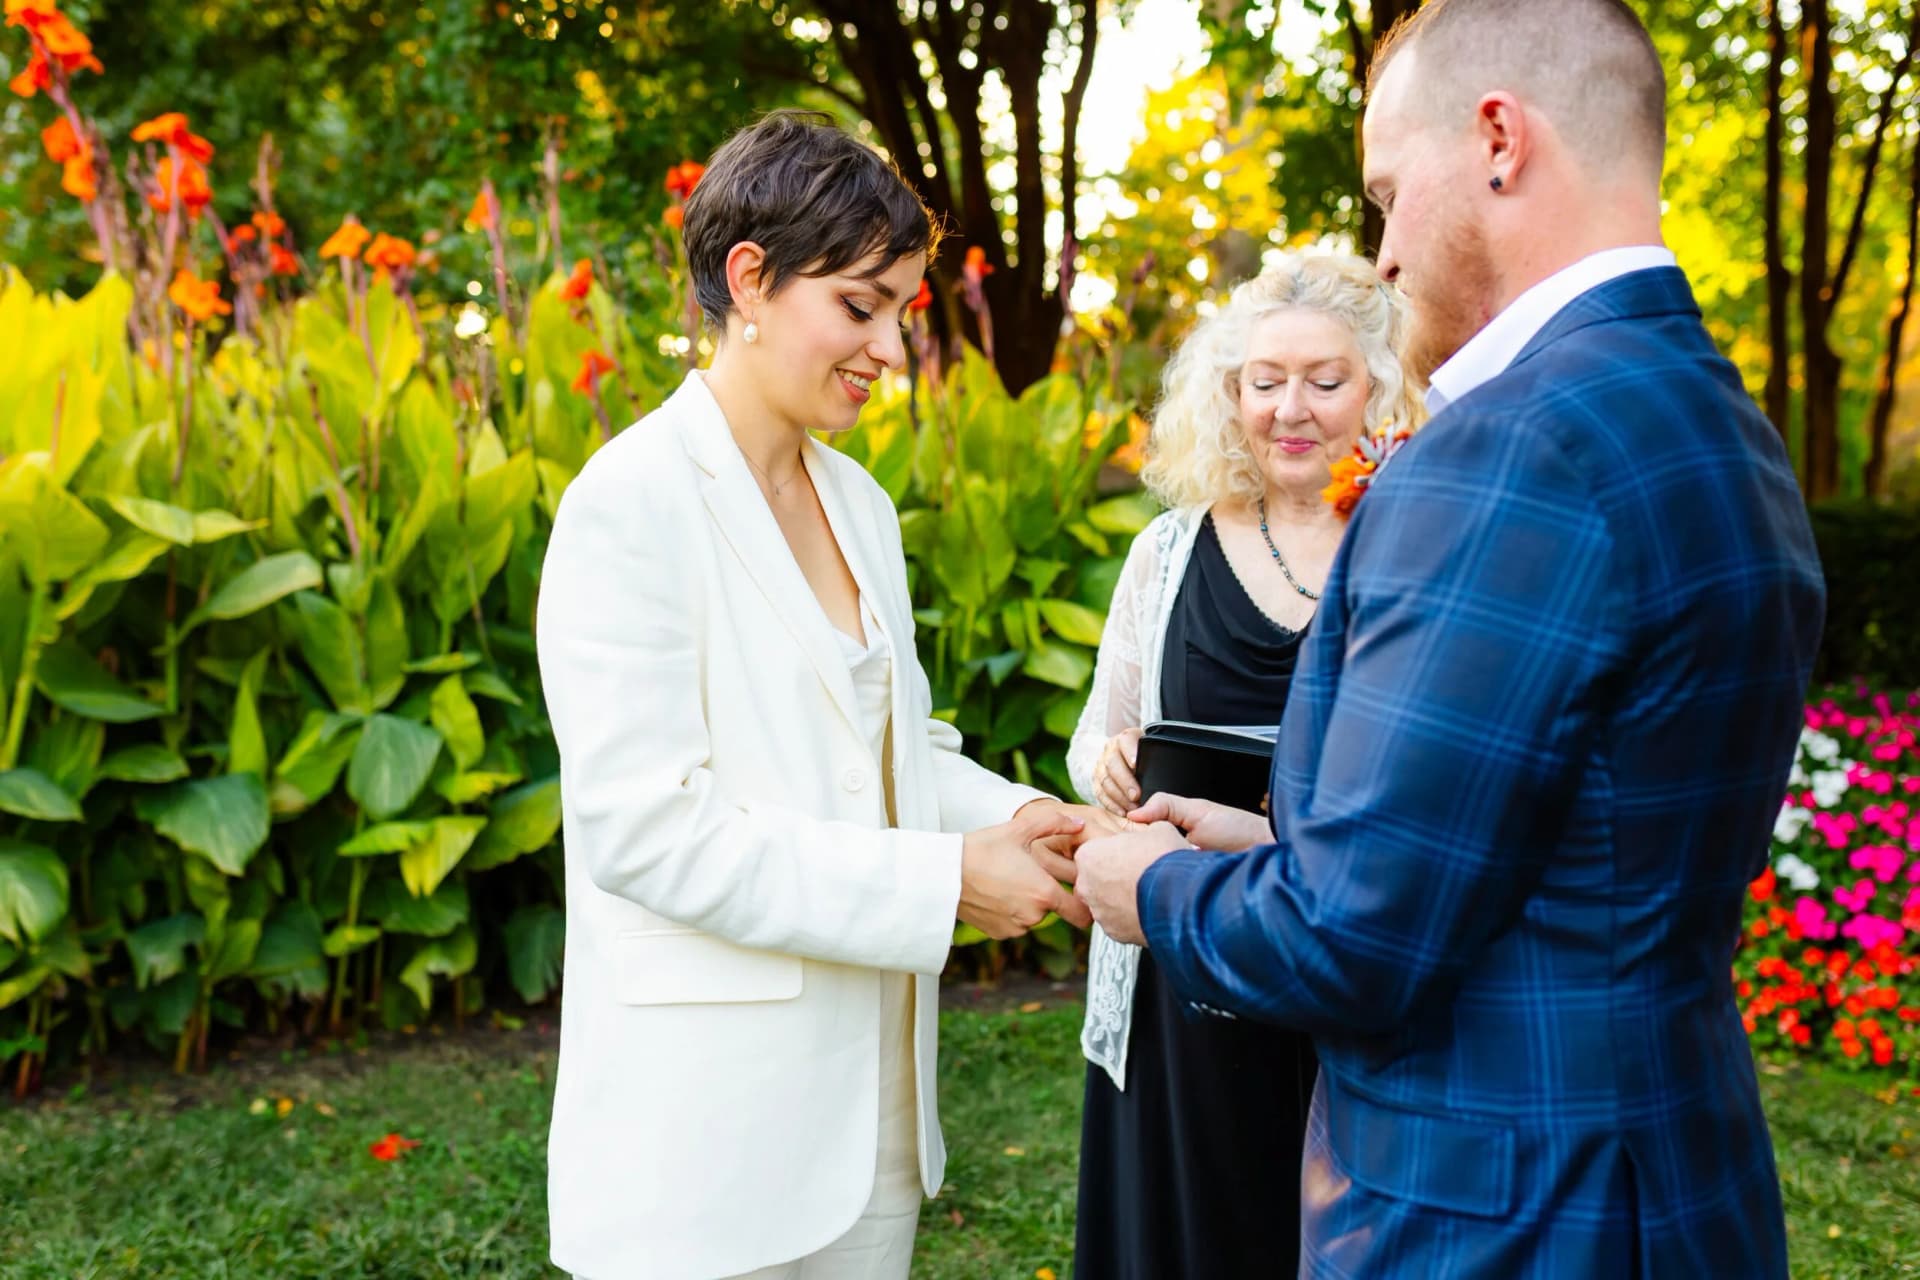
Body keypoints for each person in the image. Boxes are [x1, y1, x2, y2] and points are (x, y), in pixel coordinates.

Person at [1073, 1, 1825, 1275]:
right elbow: (1570, 842)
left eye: (1384, 190)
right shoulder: (1716, 420)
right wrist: (1275, 837)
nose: (1384, 251)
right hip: (1675, 1175)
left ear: (1496, 140)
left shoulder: (1503, 454)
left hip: (1504, 1212)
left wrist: (1140, 884)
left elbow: (1351, 944)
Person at [536, 110, 1115, 1280]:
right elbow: (647, 833)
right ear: (748, 278)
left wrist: (1027, 823)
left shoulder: (860, 504)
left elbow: (896, 748)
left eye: (899, 307)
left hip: (875, 1125)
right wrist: (948, 879)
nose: (889, 348)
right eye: (860, 304)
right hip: (699, 1147)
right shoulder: (628, 502)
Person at [1065, 253, 1422, 1279]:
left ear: (1381, 387)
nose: (1290, 410)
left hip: (1335, 971)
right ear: (1229, 395)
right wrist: (1115, 760)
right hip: (1176, 986)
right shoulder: (1167, 552)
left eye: (1326, 379)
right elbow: (1098, 731)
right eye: (1263, 381)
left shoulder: (1409, 551)